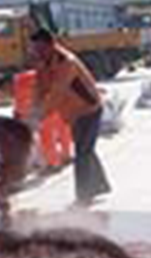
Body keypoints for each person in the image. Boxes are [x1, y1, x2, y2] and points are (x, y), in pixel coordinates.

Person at [30, 29, 111, 206]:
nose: (37, 53)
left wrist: (39, 117)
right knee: (86, 149)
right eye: (35, 49)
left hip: (89, 109)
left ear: (51, 45)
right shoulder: (43, 64)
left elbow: (56, 93)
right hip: (73, 114)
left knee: (82, 152)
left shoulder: (67, 63)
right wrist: (31, 111)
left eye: (40, 48)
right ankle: (100, 185)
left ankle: (83, 196)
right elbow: (39, 89)